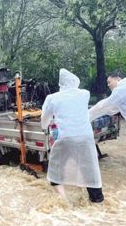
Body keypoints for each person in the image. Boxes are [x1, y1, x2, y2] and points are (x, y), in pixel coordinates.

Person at [41, 68, 104, 203]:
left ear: (60, 84)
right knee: (89, 168)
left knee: (56, 169)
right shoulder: (85, 94)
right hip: (86, 138)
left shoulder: (52, 98)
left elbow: (44, 121)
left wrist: (46, 124)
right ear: (75, 82)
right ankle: (97, 200)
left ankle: (64, 202)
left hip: (66, 138)